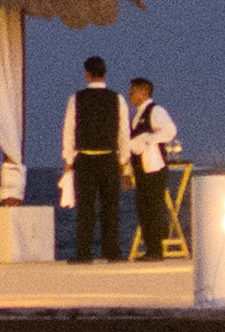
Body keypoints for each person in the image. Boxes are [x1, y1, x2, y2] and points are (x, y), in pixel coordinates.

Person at [64, 56, 123, 264]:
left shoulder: (76, 99)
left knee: (86, 208)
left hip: (86, 159)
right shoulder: (117, 99)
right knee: (111, 207)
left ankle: (84, 252)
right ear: (105, 73)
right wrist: (124, 161)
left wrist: (68, 158)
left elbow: (69, 130)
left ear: (87, 74)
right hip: (109, 157)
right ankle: (112, 251)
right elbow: (123, 131)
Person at [122, 77, 184, 260]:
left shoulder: (155, 111)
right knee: (143, 207)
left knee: (154, 206)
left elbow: (170, 130)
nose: (129, 95)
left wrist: (148, 140)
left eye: (132, 91)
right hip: (140, 167)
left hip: (154, 167)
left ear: (143, 92)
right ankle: (151, 248)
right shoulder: (137, 115)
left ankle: (156, 249)